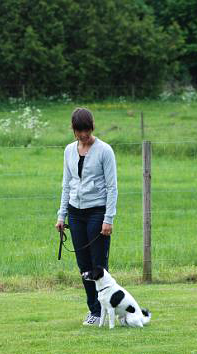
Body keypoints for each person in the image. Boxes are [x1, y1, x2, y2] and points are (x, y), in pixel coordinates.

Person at [55, 108, 118, 325]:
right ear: (73, 130)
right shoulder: (68, 151)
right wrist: (61, 215)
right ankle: (93, 310)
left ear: (92, 127)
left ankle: (106, 308)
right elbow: (66, 185)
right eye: (79, 131)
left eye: (86, 131)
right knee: (84, 267)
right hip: (75, 213)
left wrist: (108, 218)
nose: (83, 135)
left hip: (97, 212)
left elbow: (112, 187)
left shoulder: (104, 151)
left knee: (98, 264)